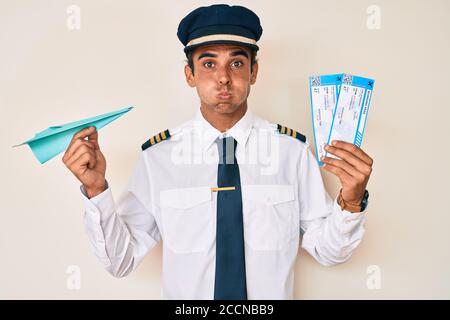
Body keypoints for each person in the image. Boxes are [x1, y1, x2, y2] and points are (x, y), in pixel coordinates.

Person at [62, 4, 373, 299]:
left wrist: (352, 199)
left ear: (254, 72)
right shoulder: (157, 158)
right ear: (190, 75)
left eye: (236, 63)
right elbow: (121, 261)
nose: (224, 77)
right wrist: (96, 189)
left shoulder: (292, 152)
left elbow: (330, 251)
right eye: (209, 63)